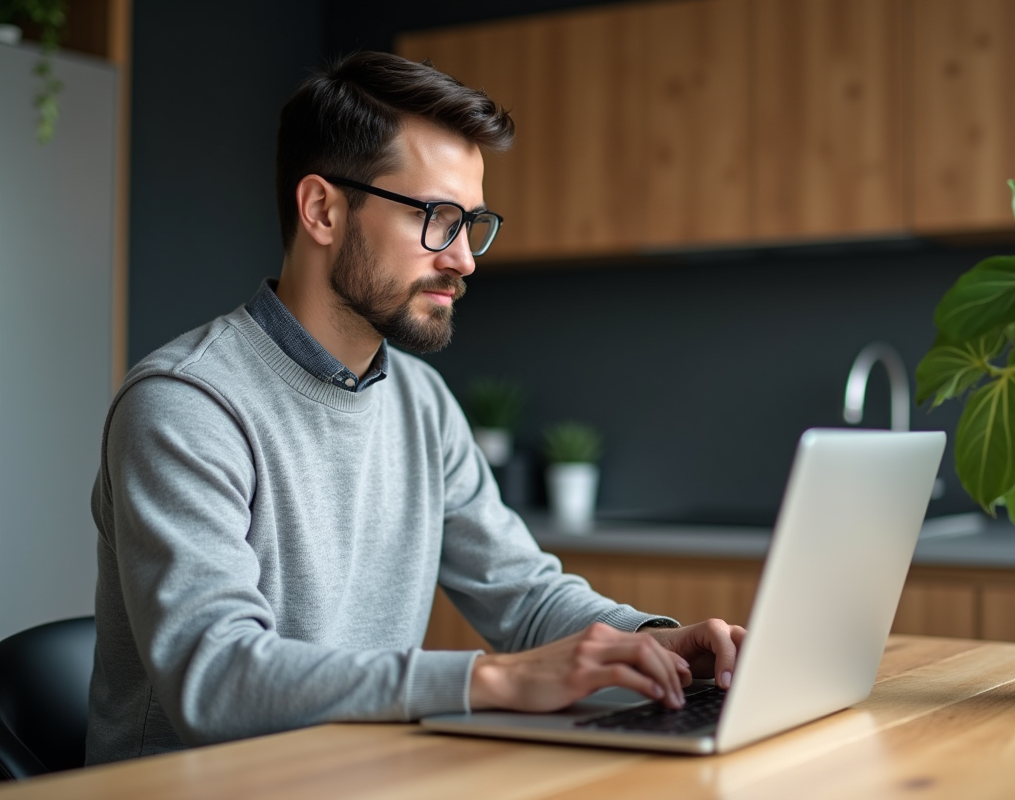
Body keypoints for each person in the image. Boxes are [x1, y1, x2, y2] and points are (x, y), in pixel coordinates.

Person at [86, 52, 745, 765]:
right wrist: (491, 679)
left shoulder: (421, 402)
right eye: (437, 218)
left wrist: (652, 640)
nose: (464, 258)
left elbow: (522, 596)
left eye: (472, 223)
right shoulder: (186, 406)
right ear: (323, 210)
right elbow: (217, 680)